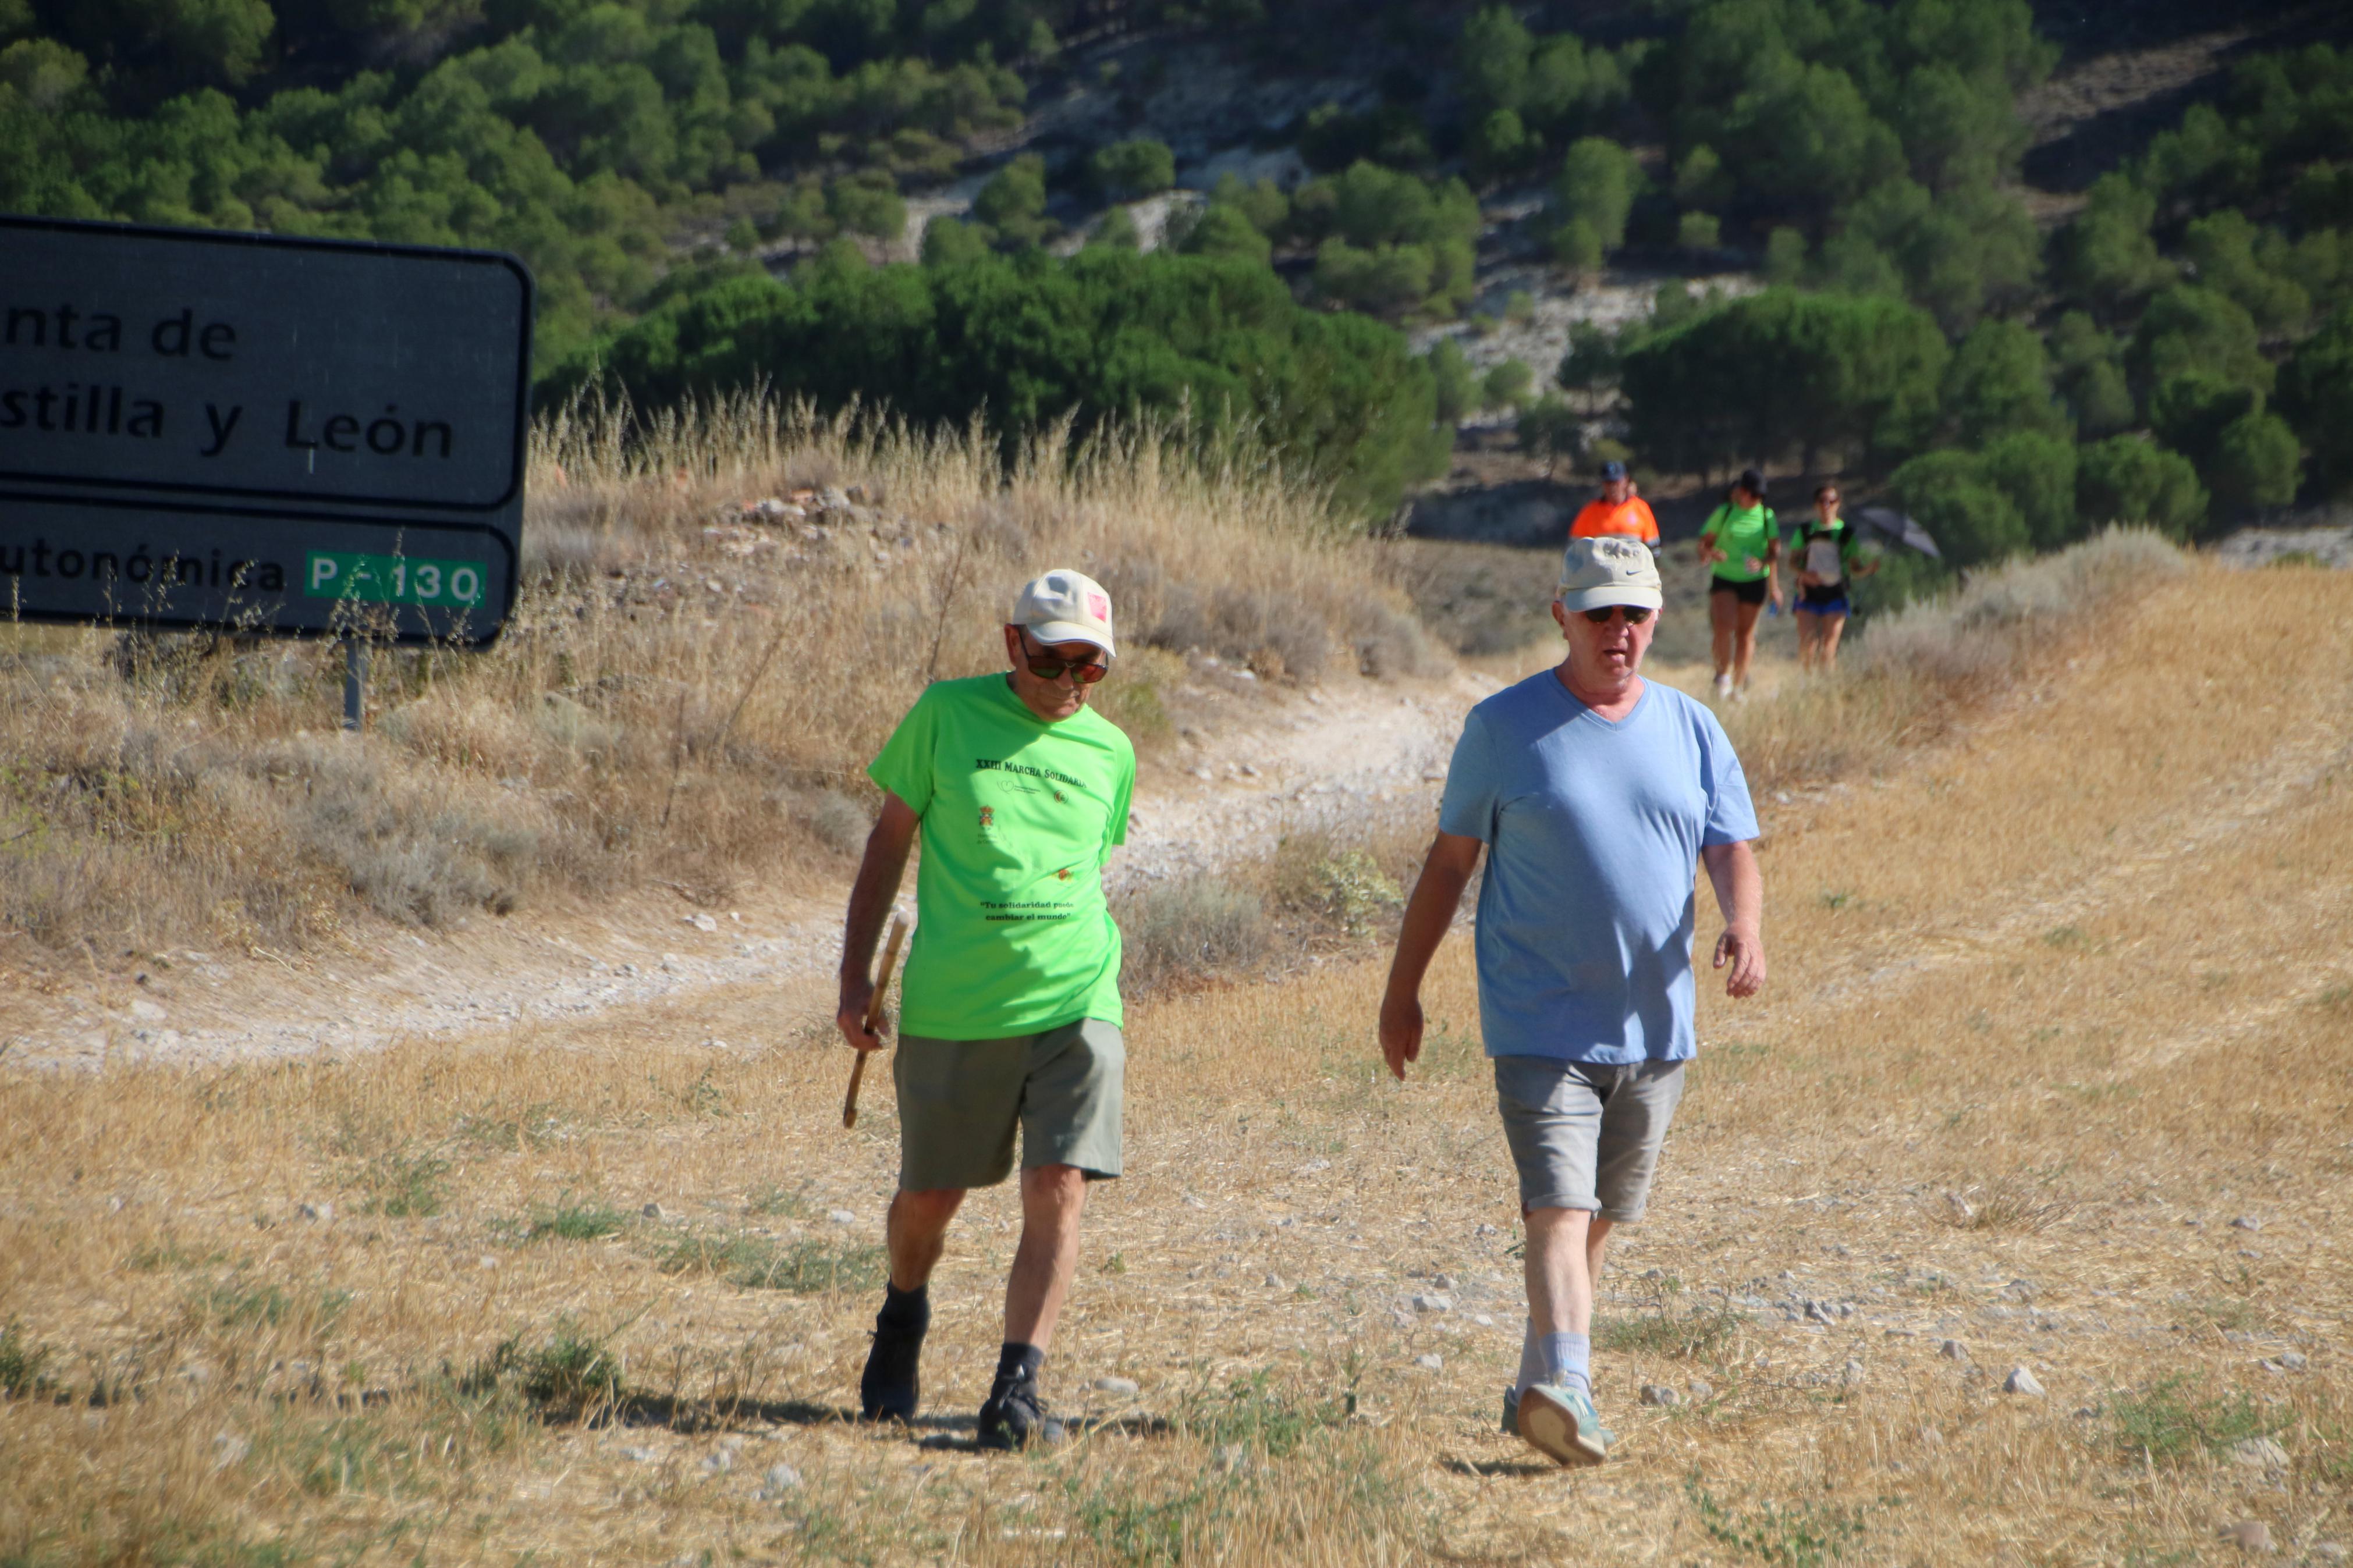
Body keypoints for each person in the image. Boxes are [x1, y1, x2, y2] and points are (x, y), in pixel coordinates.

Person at [1377, 535, 1766, 1470]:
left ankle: (1537, 1381)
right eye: (1598, 613)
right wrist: (1403, 989)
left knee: (1598, 1216)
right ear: (1562, 614)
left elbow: (1730, 845)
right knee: (1555, 1202)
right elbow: (1447, 864)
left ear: (1655, 616)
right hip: (1538, 1016)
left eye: (1633, 613)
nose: (1617, 631)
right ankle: (1575, 1390)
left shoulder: (1691, 727)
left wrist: (1744, 925)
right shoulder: (1503, 727)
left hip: (1656, 1023)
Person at [837, 568, 1135, 1451]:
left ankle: (1017, 1387)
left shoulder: (1110, 751)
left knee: (1058, 1183)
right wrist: (853, 980)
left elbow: (1083, 866)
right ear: (1012, 644)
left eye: (1092, 668)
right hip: (955, 1004)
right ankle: (902, 1311)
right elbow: (887, 841)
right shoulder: (943, 714)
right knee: (928, 1200)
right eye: (1053, 662)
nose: (1071, 683)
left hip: (1078, 995)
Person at [1695, 468, 1780, 700]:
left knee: (1746, 634)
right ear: (1741, 492)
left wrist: (1762, 563)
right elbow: (1704, 544)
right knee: (1723, 626)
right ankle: (1722, 676)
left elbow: (1774, 552)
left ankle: (1739, 685)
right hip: (1725, 577)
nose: (1756, 500)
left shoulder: (1767, 516)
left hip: (1754, 581)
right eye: (1752, 495)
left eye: (1760, 496)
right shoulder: (1724, 513)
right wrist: (1713, 554)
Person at [1787, 482, 1878, 674]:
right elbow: (1793, 563)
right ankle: (1807, 686)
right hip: (1808, 593)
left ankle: (1826, 689)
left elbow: (1855, 568)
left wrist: (1869, 569)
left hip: (1836, 594)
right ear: (1816, 504)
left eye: (1832, 500)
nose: (1827, 505)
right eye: (1822, 500)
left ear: (1838, 503)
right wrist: (1806, 575)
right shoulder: (1805, 531)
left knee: (1828, 650)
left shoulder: (1845, 534)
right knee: (1808, 647)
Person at [1568, 460, 1659, 547]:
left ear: (1626, 480)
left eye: (1616, 482)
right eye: (1608, 483)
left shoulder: (1641, 509)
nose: (1612, 487)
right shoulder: (1589, 512)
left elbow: (1653, 548)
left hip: (1632, 563)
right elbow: (1575, 549)